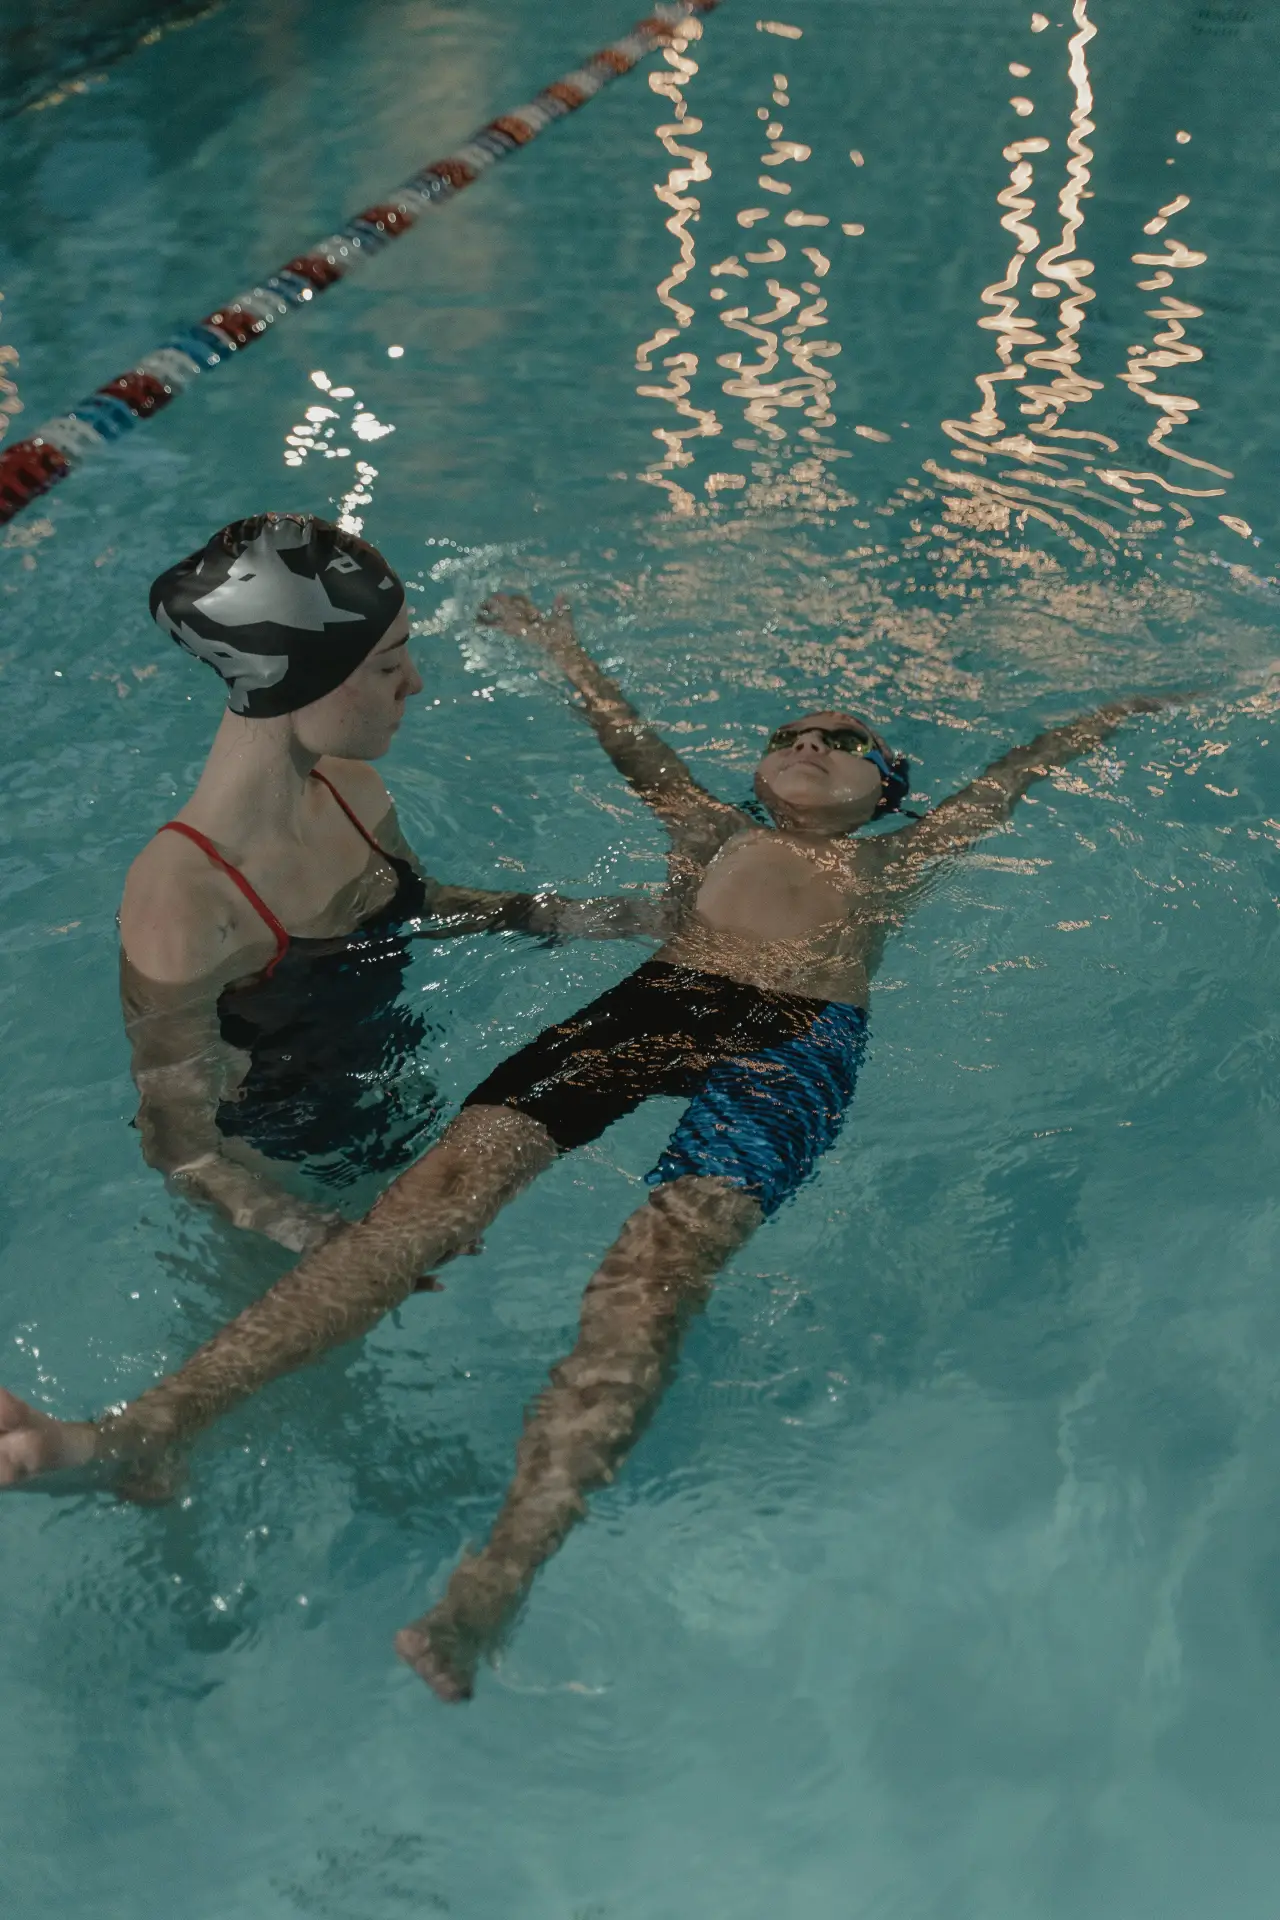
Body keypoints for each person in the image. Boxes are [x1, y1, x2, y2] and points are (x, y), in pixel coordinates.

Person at [0, 590, 1175, 1701]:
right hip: (650, 1006)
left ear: (886, 794)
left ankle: (493, 1582)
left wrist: (1111, 713)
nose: (811, 742)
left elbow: (1010, 783)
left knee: (646, 1287)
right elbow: (634, 747)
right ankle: (144, 1430)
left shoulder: (890, 863)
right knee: (419, 1212)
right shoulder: (703, 829)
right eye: (791, 731)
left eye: (844, 742)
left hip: (792, 1047)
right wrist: (564, 655)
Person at [121, 520, 655, 1256]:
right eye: (386, 665)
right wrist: (319, 1237)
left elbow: (420, 904)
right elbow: (179, 1144)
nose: (415, 682)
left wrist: (581, 915)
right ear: (300, 678)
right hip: (279, 1185)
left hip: (398, 1108)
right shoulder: (184, 897)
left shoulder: (350, 787)